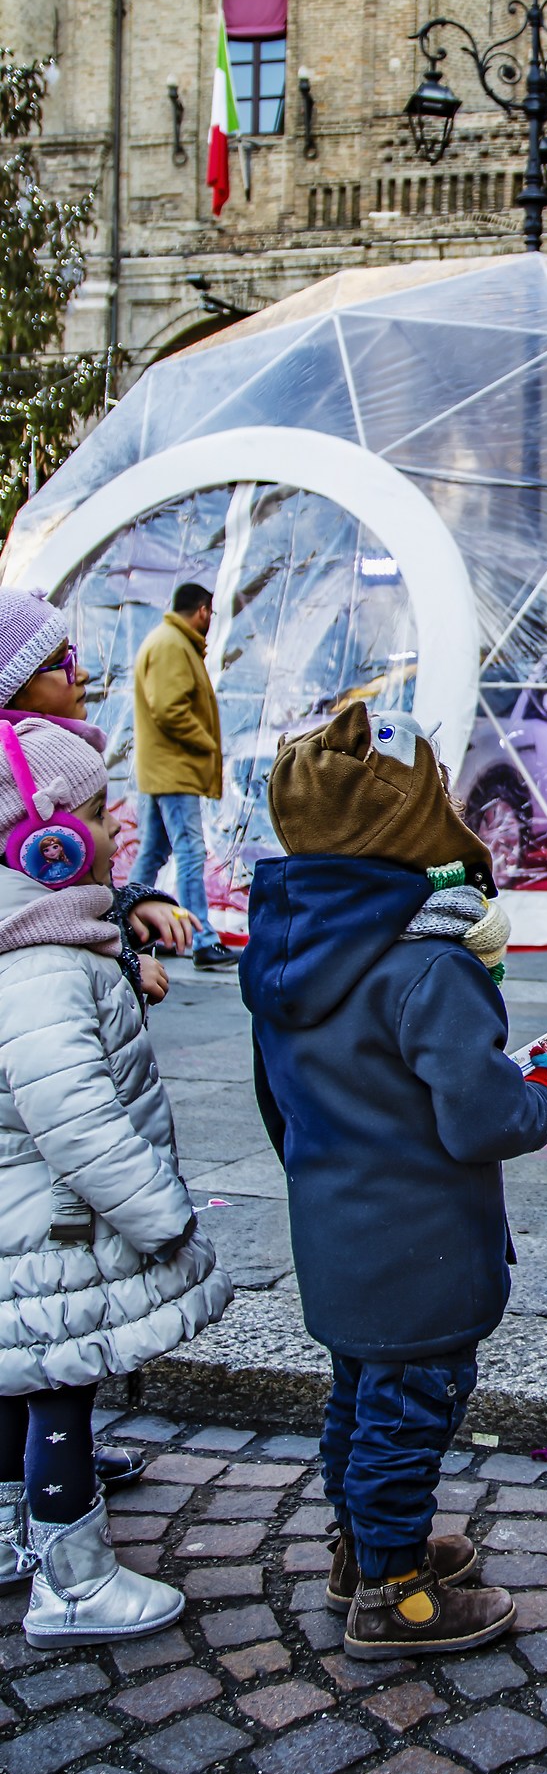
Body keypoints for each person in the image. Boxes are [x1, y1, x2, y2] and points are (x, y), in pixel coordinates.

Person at [241, 701, 547, 1657]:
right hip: (423, 1248)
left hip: (335, 1237)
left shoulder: (286, 957)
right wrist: (537, 1102)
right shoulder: (430, 968)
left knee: (360, 1398)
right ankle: (394, 1593)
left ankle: (362, 1550)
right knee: (411, 1410)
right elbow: (479, 1117)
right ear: (409, 822)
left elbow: (276, 1107)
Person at [0, 714, 231, 1640]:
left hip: (30, 1220)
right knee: (63, 1384)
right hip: (60, 1227)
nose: (117, 828)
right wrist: (161, 1215)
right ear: (48, 840)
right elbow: (78, 1118)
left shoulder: (45, 941)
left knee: (22, 1378)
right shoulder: (45, 965)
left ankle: (11, 1536)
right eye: (100, 814)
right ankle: (75, 1582)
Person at [0, 586, 194, 1006]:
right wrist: (124, 966)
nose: (82, 672)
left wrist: (126, 906)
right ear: (13, 689)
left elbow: (65, 895)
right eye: (60, 663)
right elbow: (36, 930)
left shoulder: (51, 764)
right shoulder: (16, 788)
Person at [133, 582, 236, 972]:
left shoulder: (169, 641)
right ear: (203, 610)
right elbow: (169, 709)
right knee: (191, 852)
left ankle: (126, 926)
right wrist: (207, 743)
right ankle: (203, 940)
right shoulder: (172, 645)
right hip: (173, 770)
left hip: (164, 768)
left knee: (153, 853)